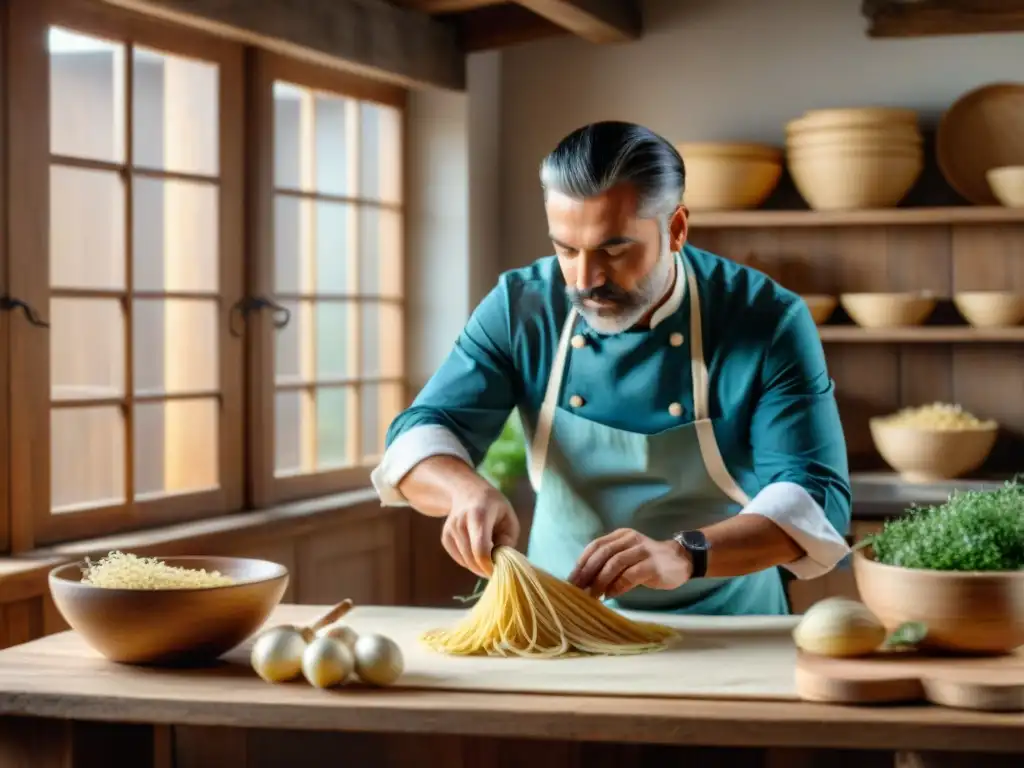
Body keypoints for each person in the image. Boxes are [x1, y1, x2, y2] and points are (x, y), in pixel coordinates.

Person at [371, 121, 851, 615]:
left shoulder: (766, 319)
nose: (586, 280)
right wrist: (465, 491)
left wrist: (685, 554)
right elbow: (419, 434)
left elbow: (816, 499)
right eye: (566, 249)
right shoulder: (521, 307)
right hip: (559, 621)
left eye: (614, 250)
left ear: (676, 229)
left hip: (725, 621)